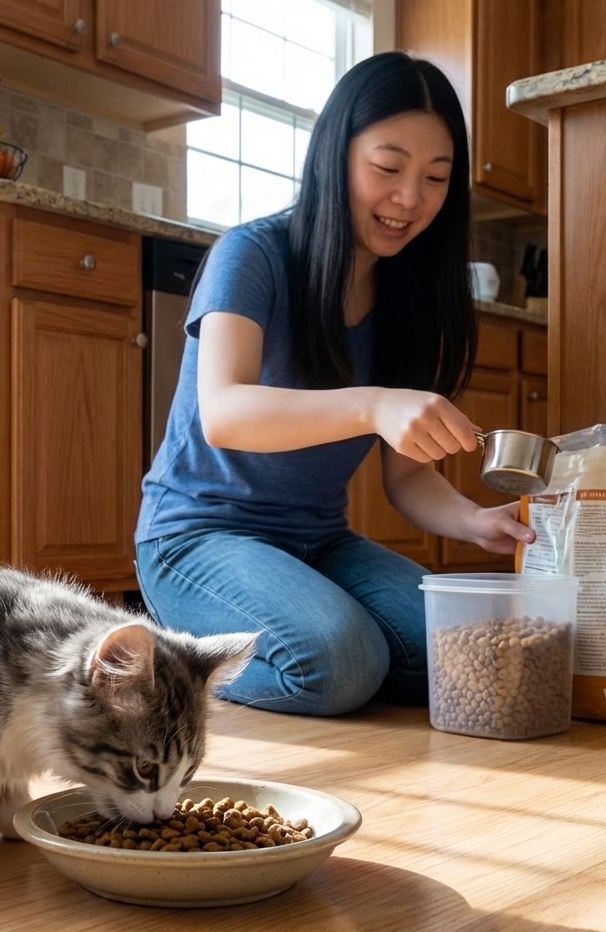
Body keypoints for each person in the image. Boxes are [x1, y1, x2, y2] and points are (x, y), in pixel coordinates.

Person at [134, 51, 535, 716]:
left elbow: (405, 478)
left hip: (319, 541)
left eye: (435, 179)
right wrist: (374, 404)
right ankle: (177, 669)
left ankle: (327, 647)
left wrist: (473, 521)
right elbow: (226, 412)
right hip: (196, 538)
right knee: (342, 663)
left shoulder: (411, 296)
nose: (409, 199)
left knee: (479, 648)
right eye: (387, 168)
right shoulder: (253, 253)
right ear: (335, 154)